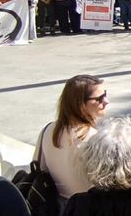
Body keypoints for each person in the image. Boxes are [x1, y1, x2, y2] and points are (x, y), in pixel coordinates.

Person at [40, 75, 109, 204]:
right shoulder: (95, 139)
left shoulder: (48, 130)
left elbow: (40, 168)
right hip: (88, 210)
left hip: (56, 208)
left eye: (105, 94)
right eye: (99, 99)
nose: (106, 101)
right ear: (81, 105)